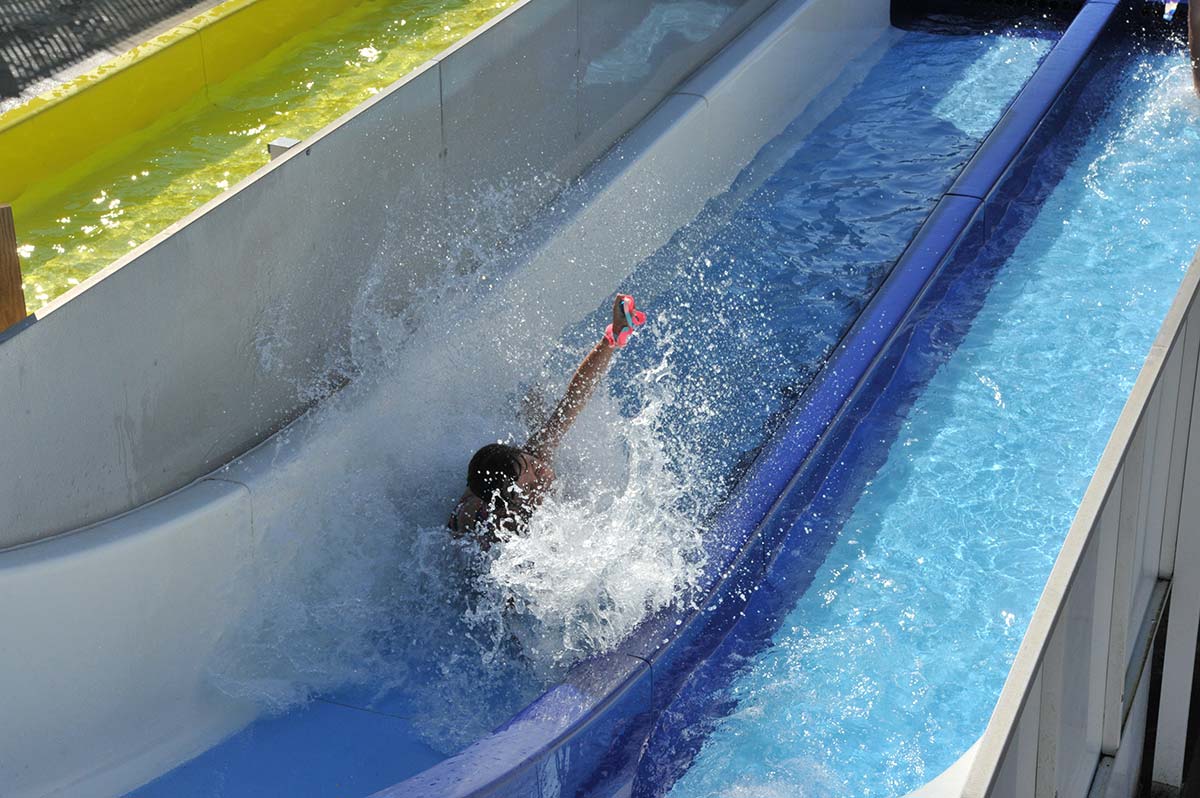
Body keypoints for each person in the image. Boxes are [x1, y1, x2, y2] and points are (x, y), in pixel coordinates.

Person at [449, 294, 641, 548]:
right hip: (476, 525)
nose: (542, 471)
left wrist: (612, 337)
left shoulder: (534, 456)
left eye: (532, 465)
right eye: (534, 479)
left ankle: (528, 406)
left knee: (543, 418)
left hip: (495, 489)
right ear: (511, 499)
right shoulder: (491, 528)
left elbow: (574, 397)